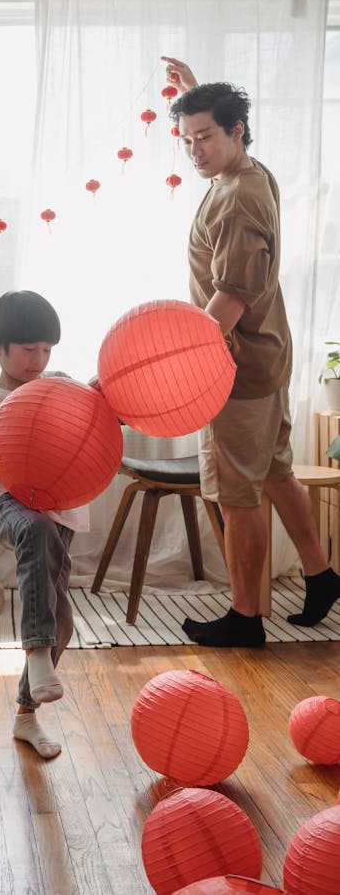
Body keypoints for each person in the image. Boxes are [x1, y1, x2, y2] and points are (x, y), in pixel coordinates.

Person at [161, 55, 340, 646]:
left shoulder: (237, 198)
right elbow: (220, 130)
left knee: (238, 496)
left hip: (236, 367)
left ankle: (245, 618)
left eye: (204, 136)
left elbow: (232, 295)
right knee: (277, 471)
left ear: (237, 130)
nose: (194, 150)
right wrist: (194, 96)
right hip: (268, 354)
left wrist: (186, 362)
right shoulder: (251, 172)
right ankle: (321, 576)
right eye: (187, 139)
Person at [0, 290, 89, 759]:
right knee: (36, 532)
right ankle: (36, 652)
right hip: (7, 502)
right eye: (29, 350)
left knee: (61, 621)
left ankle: (26, 715)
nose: (39, 360)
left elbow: (94, 422)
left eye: (47, 350)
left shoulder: (58, 384)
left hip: (58, 506)